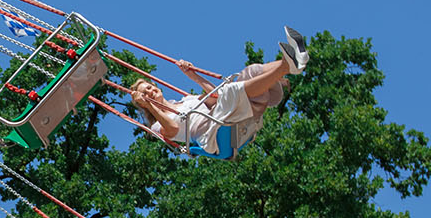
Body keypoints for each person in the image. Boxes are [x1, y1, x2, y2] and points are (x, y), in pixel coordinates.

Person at [129, 27, 309, 156]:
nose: (151, 91)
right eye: (146, 93)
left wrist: (194, 76)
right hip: (213, 133)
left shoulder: (185, 100)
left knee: (250, 71)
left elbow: (214, 98)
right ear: (144, 103)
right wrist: (151, 107)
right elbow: (173, 128)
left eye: (150, 87)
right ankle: (287, 66)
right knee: (231, 91)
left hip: (224, 113)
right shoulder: (156, 125)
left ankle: (294, 61)